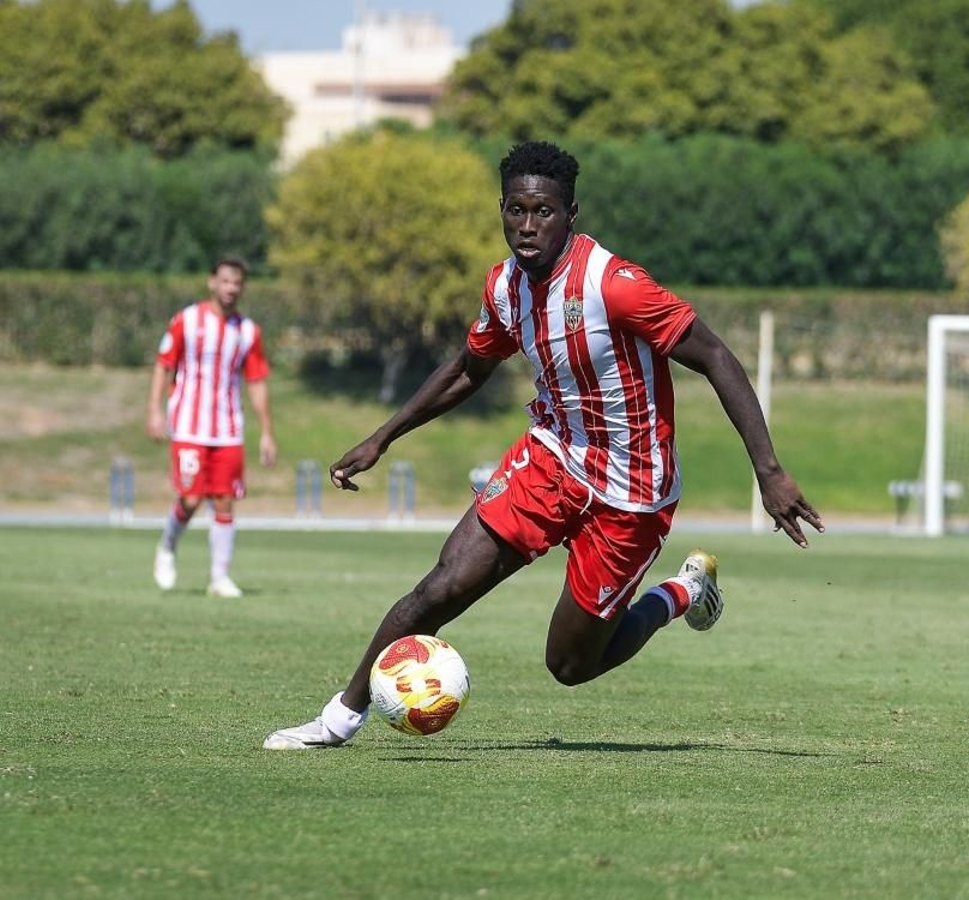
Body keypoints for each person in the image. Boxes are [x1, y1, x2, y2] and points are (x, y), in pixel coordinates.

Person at [264, 141, 823, 750]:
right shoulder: (504, 288)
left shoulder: (616, 287)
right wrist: (383, 437)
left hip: (631, 493)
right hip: (552, 458)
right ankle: (339, 719)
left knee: (570, 665)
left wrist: (768, 472)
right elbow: (466, 370)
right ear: (502, 209)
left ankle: (683, 591)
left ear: (571, 213)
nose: (527, 226)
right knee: (443, 585)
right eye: (516, 210)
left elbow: (714, 356)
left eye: (544, 211)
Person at [146, 257, 276, 598]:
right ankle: (167, 545)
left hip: (228, 428)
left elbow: (258, 381)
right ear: (212, 282)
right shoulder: (187, 321)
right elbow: (163, 365)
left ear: (242, 288)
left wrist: (266, 431)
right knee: (190, 499)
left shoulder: (248, 331)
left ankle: (219, 577)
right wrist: (154, 411)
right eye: (225, 281)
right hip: (189, 426)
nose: (231, 288)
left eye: (237, 282)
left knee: (224, 501)